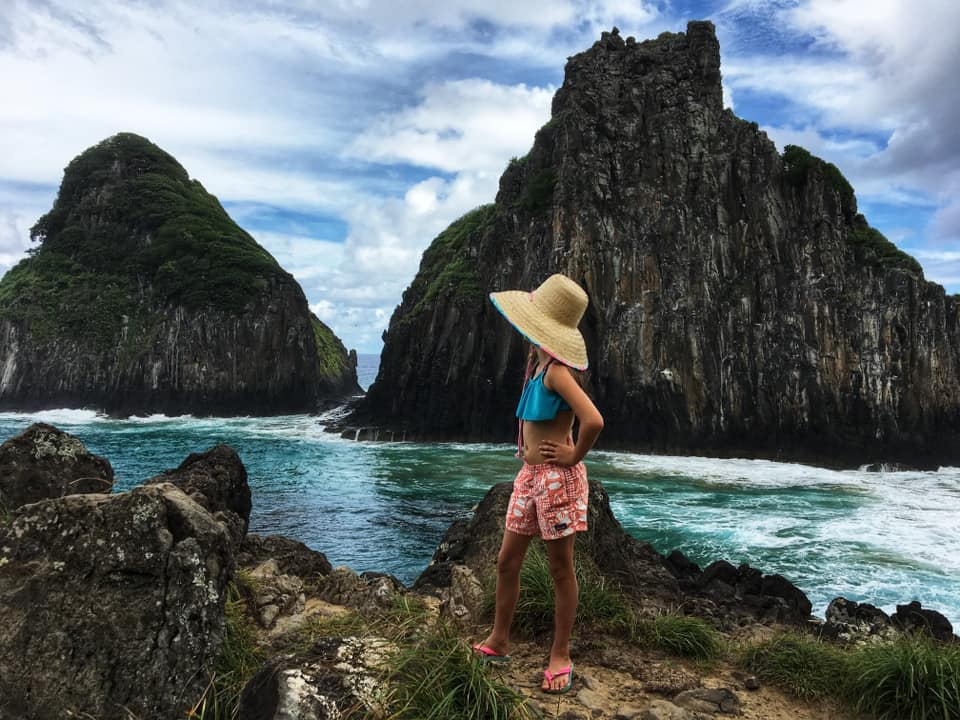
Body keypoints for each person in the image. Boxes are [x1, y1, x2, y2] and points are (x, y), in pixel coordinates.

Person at [473, 273, 604, 695]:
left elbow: (594, 420)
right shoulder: (538, 367)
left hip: (555, 480)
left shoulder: (557, 373)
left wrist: (572, 455)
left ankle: (560, 653)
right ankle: (499, 639)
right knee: (507, 561)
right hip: (529, 477)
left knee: (560, 568)